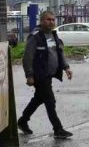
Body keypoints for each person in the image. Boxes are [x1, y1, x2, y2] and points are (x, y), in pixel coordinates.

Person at [18, 10, 74, 139]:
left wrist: (66, 68)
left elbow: (60, 53)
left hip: (49, 75)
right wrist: (29, 75)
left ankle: (22, 121)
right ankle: (58, 129)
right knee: (50, 101)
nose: (51, 22)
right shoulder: (35, 36)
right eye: (48, 20)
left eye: (53, 20)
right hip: (39, 75)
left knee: (38, 98)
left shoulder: (54, 35)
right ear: (41, 21)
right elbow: (27, 57)